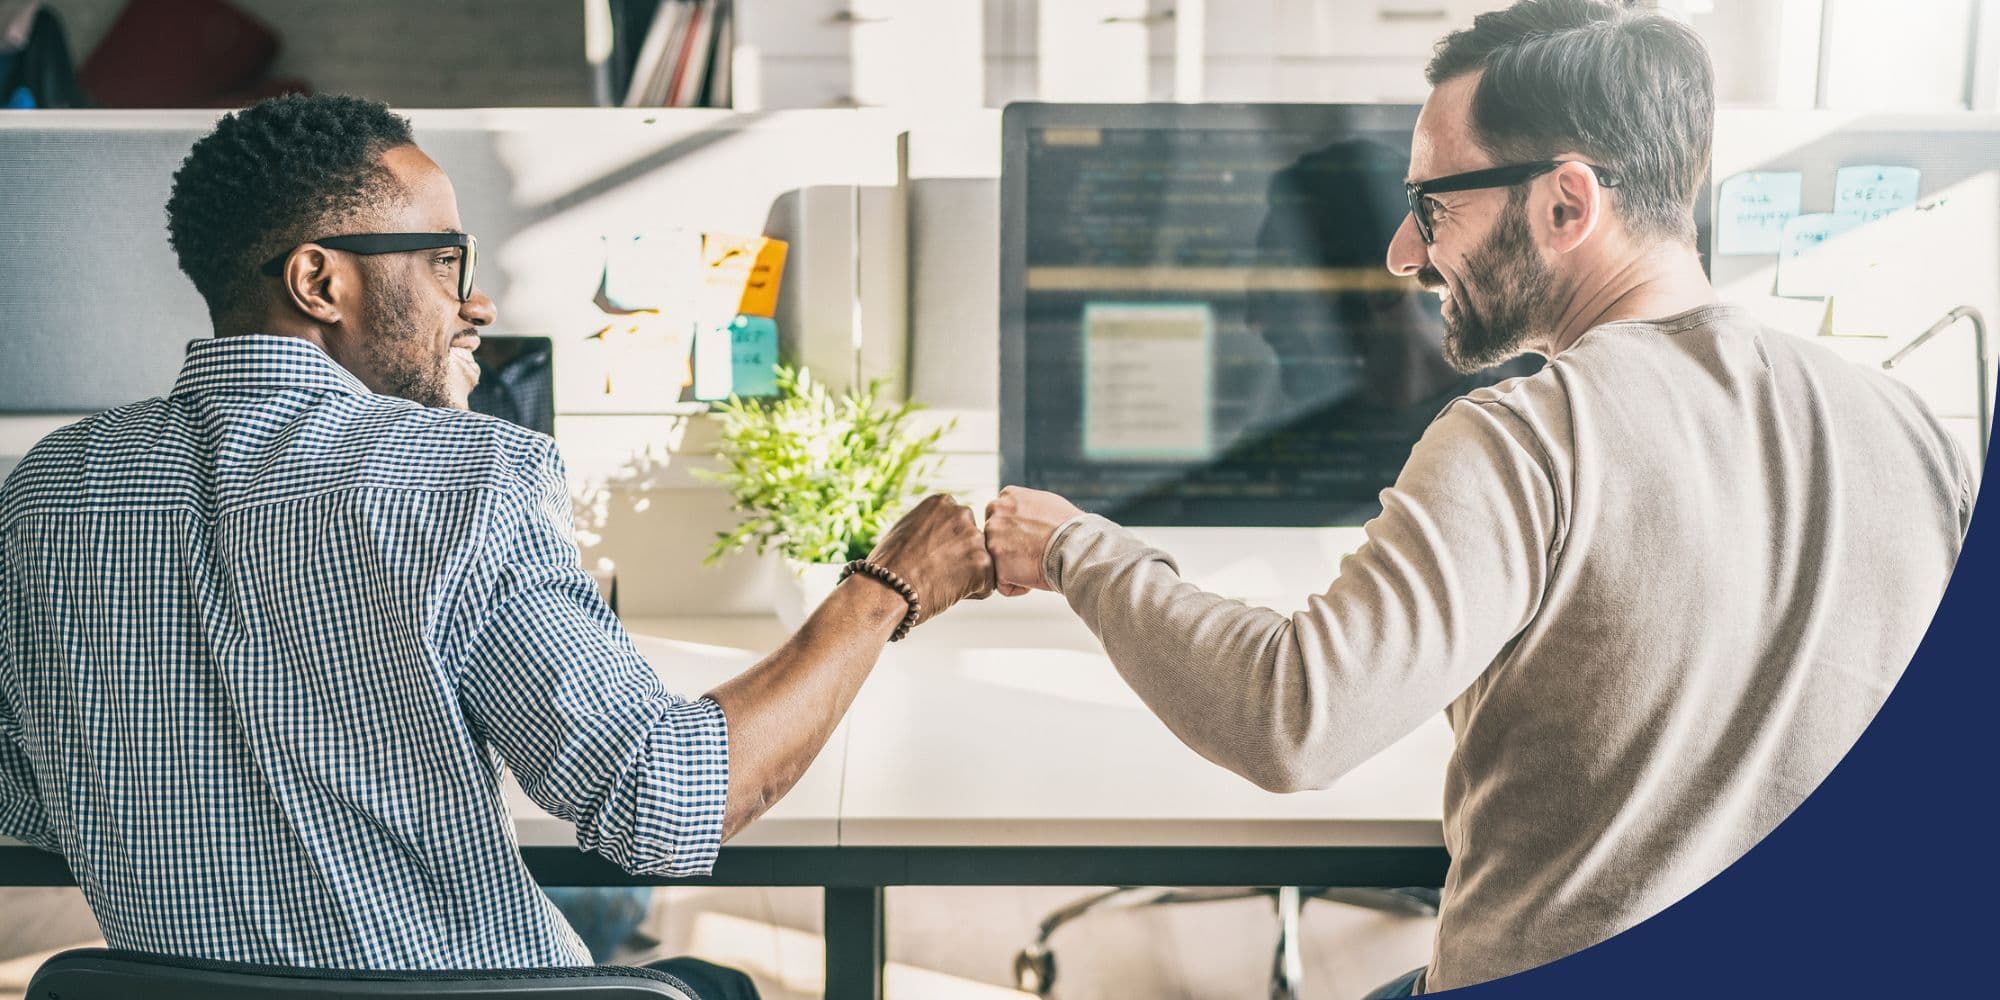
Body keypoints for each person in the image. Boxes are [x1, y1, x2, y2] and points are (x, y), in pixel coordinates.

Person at [982, 1, 1973, 995]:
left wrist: (1074, 547)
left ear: (1563, 204)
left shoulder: (1525, 440)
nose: (1402, 256)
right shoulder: (1912, 430)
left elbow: (1293, 718)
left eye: (1431, 206)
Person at [0, 94, 993, 1000]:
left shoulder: (46, 489)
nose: (464, 302)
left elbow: (28, 798)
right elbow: (666, 804)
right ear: (318, 280)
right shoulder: (469, 474)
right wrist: (886, 588)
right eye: (442, 260)